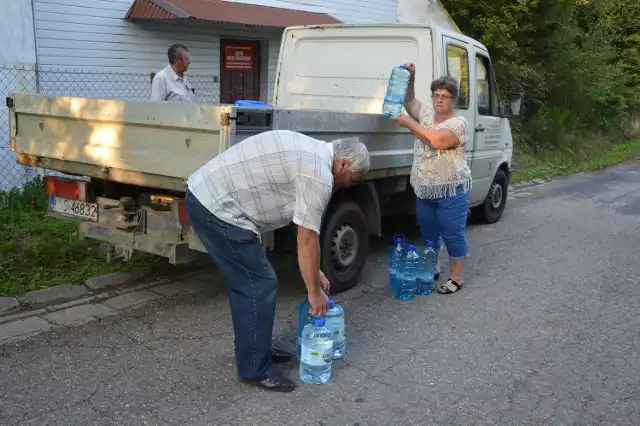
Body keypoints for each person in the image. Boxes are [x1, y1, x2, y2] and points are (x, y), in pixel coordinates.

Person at [185, 130, 370, 392]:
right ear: (342, 164)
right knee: (258, 284)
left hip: (208, 196)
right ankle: (254, 369)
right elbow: (306, 240)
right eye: (352, 177)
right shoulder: (318, 174)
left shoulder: (313, 151)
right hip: (217, 209)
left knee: (253, 283)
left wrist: (314, 270)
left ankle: (256, 349)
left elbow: (304, 226)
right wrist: (314, 293)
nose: (349, 184)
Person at [392, 62, 471, 295]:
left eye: (445, 96)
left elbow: (435, 140)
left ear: (453, 100)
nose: (439, 100)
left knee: (452, 233)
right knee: (428, 232)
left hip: (451, 190)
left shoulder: (459, 123)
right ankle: (432, 266)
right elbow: (409, 100)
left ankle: (457, 277)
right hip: (424, 189)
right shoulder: (426, 113)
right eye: (436, 95)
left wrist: (408, 123)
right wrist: (411, 78)